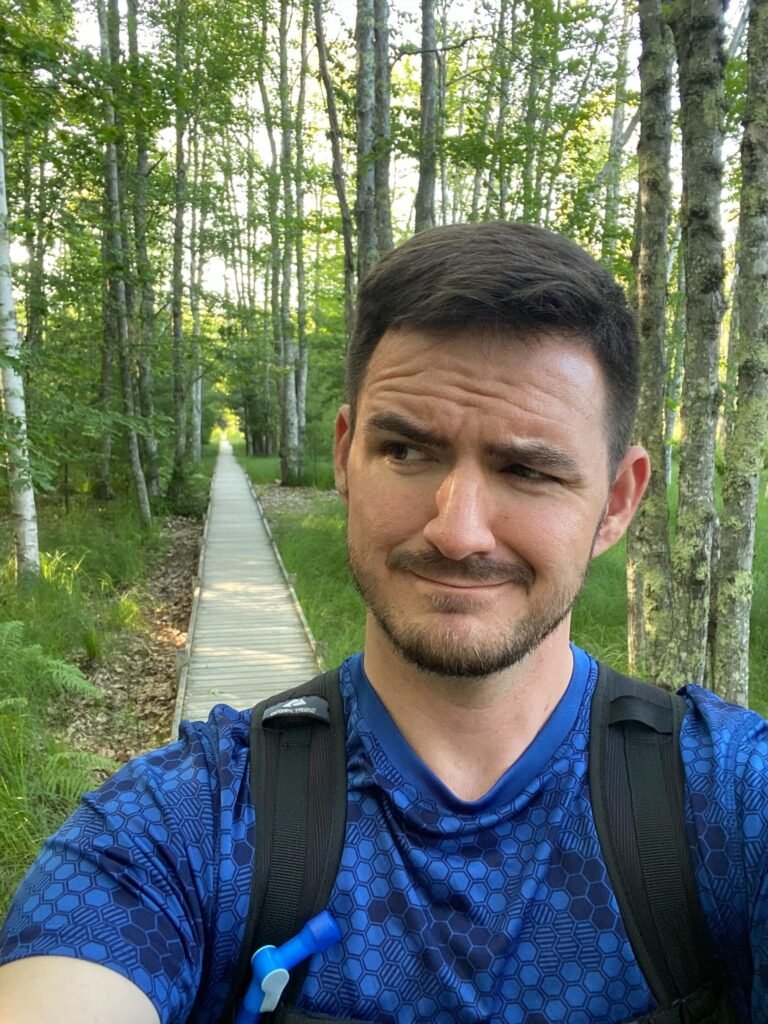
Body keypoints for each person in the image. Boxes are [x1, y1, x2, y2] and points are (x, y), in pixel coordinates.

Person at [0, 220, 766, 1024]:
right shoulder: (181, 827)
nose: (458, 529)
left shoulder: (731, 806)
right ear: (344, 455)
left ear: (616, 501)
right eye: (406, 452)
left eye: (528, 469)